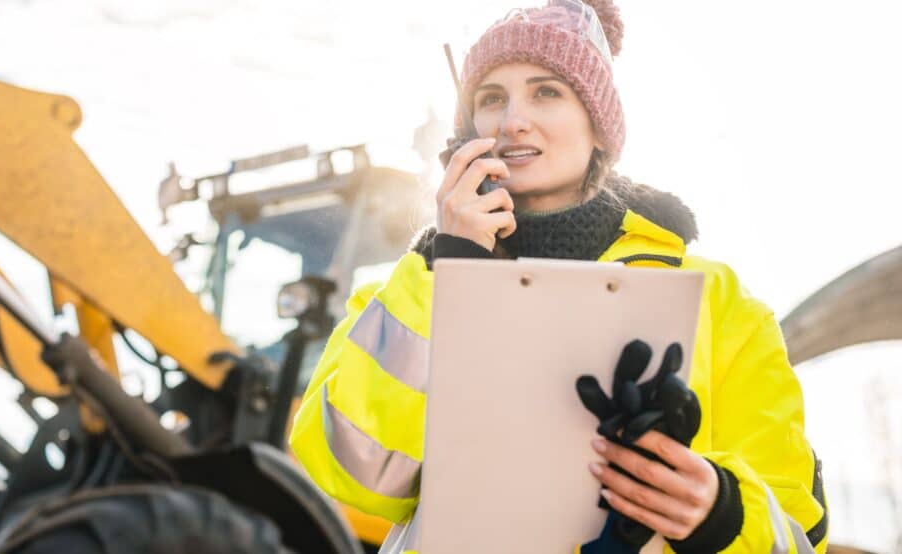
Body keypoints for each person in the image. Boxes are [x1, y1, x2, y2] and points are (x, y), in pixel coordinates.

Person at [289, 1, 828, 552]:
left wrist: (719, 512)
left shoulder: (721, 303)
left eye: (547, 92)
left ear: (599, 128)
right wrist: (448, 270)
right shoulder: (404, 294)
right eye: (490, 98)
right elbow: (359, 476)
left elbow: (796, 530)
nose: (511, 120)